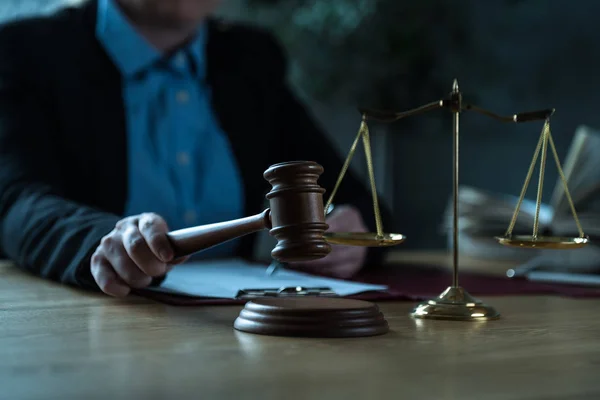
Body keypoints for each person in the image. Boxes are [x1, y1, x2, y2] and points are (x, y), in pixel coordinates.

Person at [0, 0, 393, 297]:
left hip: (235, 334)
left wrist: (350, 236)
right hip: (94, 325)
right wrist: (103, 243)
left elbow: (357, 199)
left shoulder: (250, 59)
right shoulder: (29, 52)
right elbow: (16, 201)